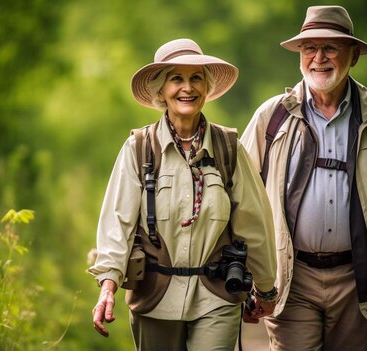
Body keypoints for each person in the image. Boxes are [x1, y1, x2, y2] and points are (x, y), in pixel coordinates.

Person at [240, 6, 367, 351]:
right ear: (300, 56)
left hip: (358, 278)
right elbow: (239, 196)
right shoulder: (272, 117)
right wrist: (244, 275)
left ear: (353, 56)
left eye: (330, 48)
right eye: (309, 48)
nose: (319, 58)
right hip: (290, 278)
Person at [88, 38, 278, 351]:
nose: (186, 88)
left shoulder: (229, 148)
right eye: (176, 78)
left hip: (217, 297)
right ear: (160, 91)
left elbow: (254, 224)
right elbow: (116, 225)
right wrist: (107, 287)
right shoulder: (139, 149)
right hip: (154, 299)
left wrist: (266, 289)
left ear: (207, 88)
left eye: (196, 78)